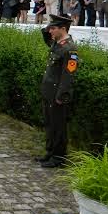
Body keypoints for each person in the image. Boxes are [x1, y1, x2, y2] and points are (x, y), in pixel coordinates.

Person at [38, 14, 78, 168]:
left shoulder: (70, 49)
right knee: (49, 123)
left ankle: (59, 158)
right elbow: (45, 34)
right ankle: (50, 152)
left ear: (63, 28)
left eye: (53, 28)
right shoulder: (57, 44)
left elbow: (69, 75)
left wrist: (62, 95)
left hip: (58, 95)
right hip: (48, 92)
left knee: (58, 126)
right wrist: (48, 28)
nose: (50, 31)